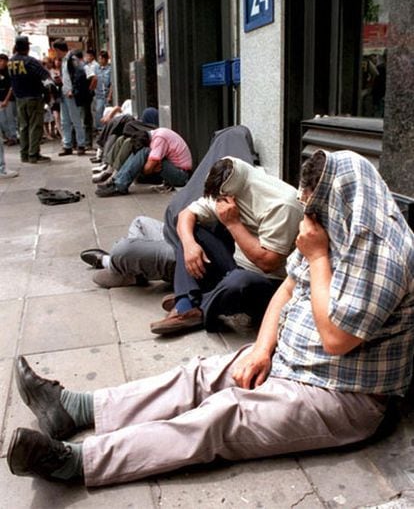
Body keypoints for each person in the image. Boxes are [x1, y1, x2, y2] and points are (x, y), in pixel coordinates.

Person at [8, 149, 414, 487]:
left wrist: (319, 256)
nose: (307, 219)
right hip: (293, 359)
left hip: (341, 393)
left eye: (314, 210)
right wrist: (260, 348)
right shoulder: (331, 228)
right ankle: (75, 408)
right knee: (198, 375)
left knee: (222, 416)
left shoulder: (383, 253)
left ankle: (77, 462)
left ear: (340, 205)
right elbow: (289, 287)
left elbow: (337, 340)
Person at [82, 125, 258, 290]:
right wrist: (187, 238)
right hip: (183, 237)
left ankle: (111, 262)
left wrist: (230, 224)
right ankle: (135, 270)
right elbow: (186, 212)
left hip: (198, 255)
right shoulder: (212, 175)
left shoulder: (246, 190)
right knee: (140, 222)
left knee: (123, 249)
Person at [150, 156, 303, 335]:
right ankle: (185, 302)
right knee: (193, 232)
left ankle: (199, 308)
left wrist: (233, 224)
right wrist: (190, 245)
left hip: (270, 281)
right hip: (234, 264)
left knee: (239, 282)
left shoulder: (282, 204)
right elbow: (186, 214)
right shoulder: (224, 191)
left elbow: (268, 263)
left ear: (233, 195)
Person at [95, 126, 192, 197]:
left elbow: (149, 169)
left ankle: (120, 185)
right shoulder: (153, 135)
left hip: (182, 176)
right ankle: (116, 181)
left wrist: (139, 166)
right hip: (175, 171)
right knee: (144, 154)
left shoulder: (159, 139)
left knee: (145, 152)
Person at [8, 36, 52, 163]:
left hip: (19, 98)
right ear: (26, 47)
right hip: (33, 97)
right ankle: (33, 154)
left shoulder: (11, 61)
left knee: (23, 127)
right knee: (35, 126)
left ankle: (24, 154)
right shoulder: (30, 61)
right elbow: (45, 76)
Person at [52, 39, 87, 156]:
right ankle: (67, 145)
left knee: (76, 120)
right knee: (65, 121)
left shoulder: (72, 59)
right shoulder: (64, 61)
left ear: (58, 50)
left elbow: (80, 75)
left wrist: (73, 90)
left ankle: (81, 144)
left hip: (71, 94)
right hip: (64, 93)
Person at [0, 53, 18, 145]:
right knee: (2, 120)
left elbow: (11, 87)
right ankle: (8, 135)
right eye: (0, 61)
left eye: (4, 61)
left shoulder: (9, 72)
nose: (2, 63)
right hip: (0, 99)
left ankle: (13, 137)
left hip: (9, 99)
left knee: (10, 118)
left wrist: (6, 100)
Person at [94, 50, 112, 133]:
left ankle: (107, 128)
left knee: (107, 112)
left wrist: (109, 95)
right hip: (99, 94)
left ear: (105, 59)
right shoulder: (97, 69)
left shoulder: (110, 69)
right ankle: (100, 129)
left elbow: (112, 83)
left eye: (101, 59)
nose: (99, 61)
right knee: (98, 111)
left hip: (107, 93)